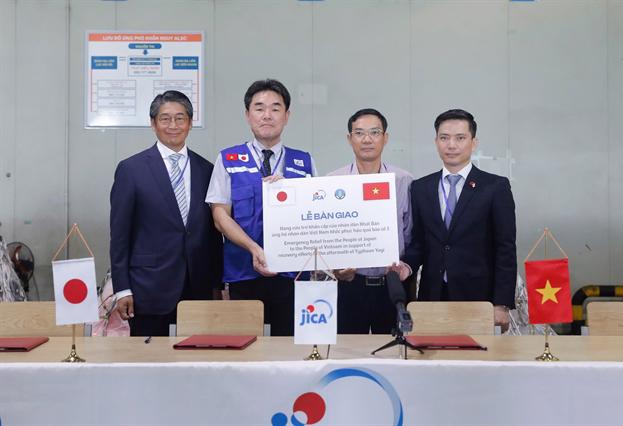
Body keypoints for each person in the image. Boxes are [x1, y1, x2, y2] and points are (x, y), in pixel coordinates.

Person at [206, 79, 316, 336]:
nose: (267, 115)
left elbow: (315, 214)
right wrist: (254, 249)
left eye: (275, 108)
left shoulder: (304, 162)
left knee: (290, 348)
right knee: (243, 349)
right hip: (243, 272)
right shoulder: (229, 159)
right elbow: (220, 216)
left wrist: (294, 191)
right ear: (247, 115)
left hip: (293, 276)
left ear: (287, 116)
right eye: (259, 108)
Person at [110, 90, 223, 336]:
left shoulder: (207, 169)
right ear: (153, 124)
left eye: (180, 118)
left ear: (190, 123)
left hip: (198, 289)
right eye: (165, 119)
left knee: (196, 362)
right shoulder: (132, 169)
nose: (173, 125)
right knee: (149, 364)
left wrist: (216, 284)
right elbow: (119, 235)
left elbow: (213, 234)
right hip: (148, 289)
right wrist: (122, 289)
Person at [392, 109, 516, 331]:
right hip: (432, 296)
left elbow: (505, 248)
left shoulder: (495, 187)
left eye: (460, 138)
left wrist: (501, 304)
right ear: (436, 142)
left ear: (474, 142)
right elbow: (419, 242)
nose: (452, 145)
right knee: (433, 359)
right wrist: (407, 266)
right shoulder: (421, 188)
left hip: (479, 297)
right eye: (444, 138)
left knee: (476, 362)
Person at [328, 108, 413, 334]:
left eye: (375, 132)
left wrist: (404, 265)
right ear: (350, 139)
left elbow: (411, 234)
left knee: (393, 357)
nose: (367, 139)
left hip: (393, 286)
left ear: (385, 138)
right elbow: (326, 235)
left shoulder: (404, 181)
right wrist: (336, 268)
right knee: (348, 355)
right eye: (359, 133)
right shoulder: (331, 182)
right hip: (349, 285)